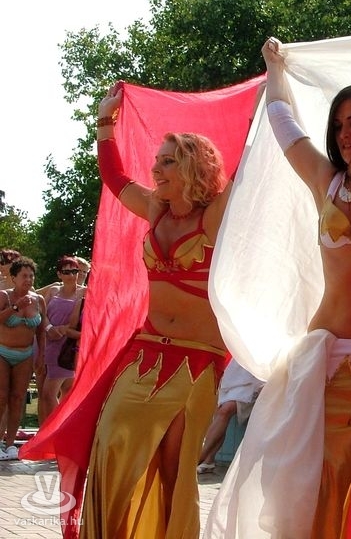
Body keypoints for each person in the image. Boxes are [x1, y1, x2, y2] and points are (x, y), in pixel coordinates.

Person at [207, 40, 351, 538]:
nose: (345, 135)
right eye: (340, 124)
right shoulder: (326, 181)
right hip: (320, 355)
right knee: (307, 476)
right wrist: (274, 68)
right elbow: (283, 121)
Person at [74, 81, 233, 538]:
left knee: (173, 468)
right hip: (144, 352)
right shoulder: (154, 209)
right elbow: (114, 177)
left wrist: (270, 98)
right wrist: (105, 122)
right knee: (111, 444)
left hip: (197, 361)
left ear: (192, 168)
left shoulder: (214, 216)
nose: (155, 168)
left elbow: (248, 168)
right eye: (157, 160)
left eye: (167, 162)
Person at [0, 257, 46, 460]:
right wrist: (15, 307)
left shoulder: (38, 300)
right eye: (24, 276)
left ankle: (10, 444)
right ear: (14, 278)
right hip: (3, 351)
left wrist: (41, 355)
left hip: (25, 354)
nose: (28, 279)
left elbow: (41, 331)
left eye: (31, 276)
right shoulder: (4, 296)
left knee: (18, 398)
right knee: (1, 397)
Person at [37, 255, 85, 425]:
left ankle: (55, 430)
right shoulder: (53, 290)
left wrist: (64, 329)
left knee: (50, 393)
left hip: (67, 347)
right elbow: (41, 312)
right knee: (45, 393)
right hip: (46, 343)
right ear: (59, 274)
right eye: (67, 272)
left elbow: (83, 321)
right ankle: (46, 430)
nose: (72, 275)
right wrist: (49, 328)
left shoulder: (84, 293)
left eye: (75, 271)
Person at [196, 358, 264, 474]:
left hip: (253, 374)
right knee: (220, 412)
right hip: (231, 371)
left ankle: (199, 457)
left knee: (225, 411)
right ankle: (208, 460)